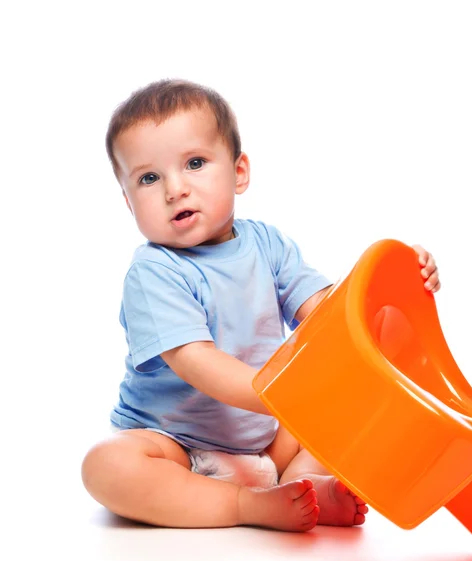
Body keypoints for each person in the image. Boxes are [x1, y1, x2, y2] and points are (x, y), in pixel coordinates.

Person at [81, 79, 441, 532]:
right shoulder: (154, 272)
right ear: (127, 201)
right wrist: (282, 395)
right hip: (177, 445)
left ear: (239, 172)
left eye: (194, 163)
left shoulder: (267, 243)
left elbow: (328, 318)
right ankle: (244, 504)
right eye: (149, 178)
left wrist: (397, 287)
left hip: (267, 439)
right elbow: (197, 362)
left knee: (349, 405)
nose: (175, 189)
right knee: (107, 465)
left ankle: (304, 483)